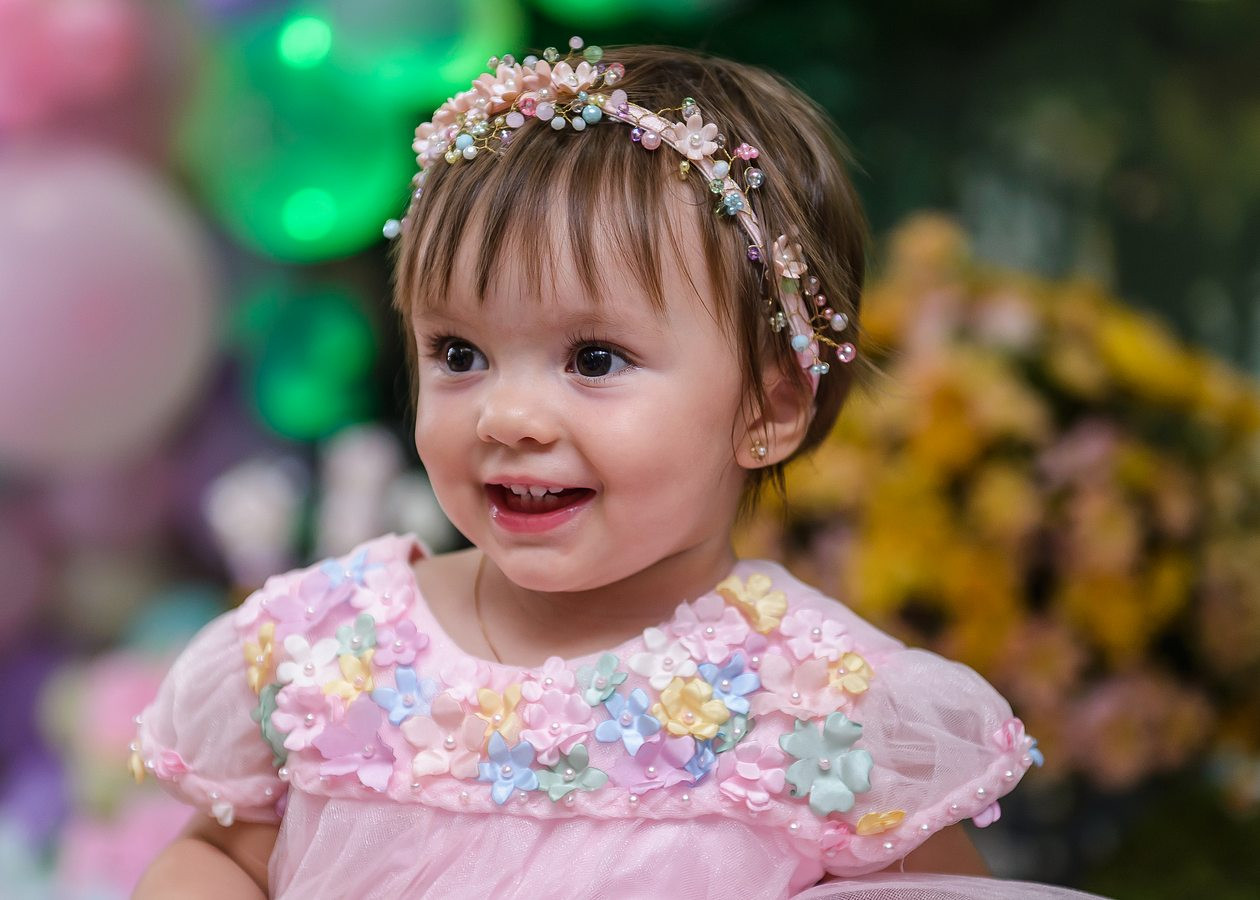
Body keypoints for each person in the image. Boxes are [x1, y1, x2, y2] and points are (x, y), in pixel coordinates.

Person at [133, 41, 1105, 899]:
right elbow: (221, 857)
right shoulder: (331, 646)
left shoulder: (822, 706)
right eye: (459, 353)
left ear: (768, 408)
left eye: (594, 359)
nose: (508, 416)